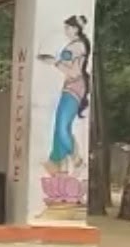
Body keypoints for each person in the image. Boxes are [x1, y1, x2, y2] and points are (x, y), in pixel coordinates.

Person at [38, 15, 91, 175]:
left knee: (61, 127)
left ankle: (77, 161)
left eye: (68, 27)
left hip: (73, 88)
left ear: (75, 29)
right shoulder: (79, 45)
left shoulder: (75, 47)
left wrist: (54, 62)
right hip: (73, 87)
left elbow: (74, 72)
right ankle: (55, 162)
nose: (65, 30)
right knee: (61, 126)